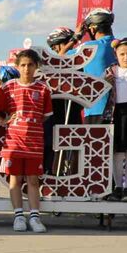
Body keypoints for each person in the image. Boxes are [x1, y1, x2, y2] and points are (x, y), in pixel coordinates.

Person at [0, 49, 53, 233]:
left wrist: (30, 124)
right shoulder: (9, 87)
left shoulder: (43, 89)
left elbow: (46, 116)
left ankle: (35, 217)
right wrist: (2, 120)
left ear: (36, 66)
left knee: (33, 180)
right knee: (15, 179)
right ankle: (18, 216)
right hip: (13, 142)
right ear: (17, 66)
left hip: (34, 142)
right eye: (23, 65)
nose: (26, 69)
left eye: (30, 65)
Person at [62, 9, 116, 124]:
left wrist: (76, 37)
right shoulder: (122, 46)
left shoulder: (89, 48)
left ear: (92, 28)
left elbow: (61, 57)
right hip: (120, 108)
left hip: (96, 108)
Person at [44, 27, 82, 174]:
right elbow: (59, 57)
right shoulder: (54, 61)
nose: (54, 50)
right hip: (58, 107)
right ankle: (56, 175)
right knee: (57, 145)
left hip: (72, 106)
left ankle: (72, 177)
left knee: (75, 143)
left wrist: (73, 41)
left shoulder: (76, 57)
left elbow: (63, 55)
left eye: (55, 46)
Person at [104, 38, 127, 202]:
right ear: (116, 54)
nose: (126, 57)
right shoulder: (110, 71)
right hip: (116, 112)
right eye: (122, 54)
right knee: (117, 151)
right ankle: (117, 186)